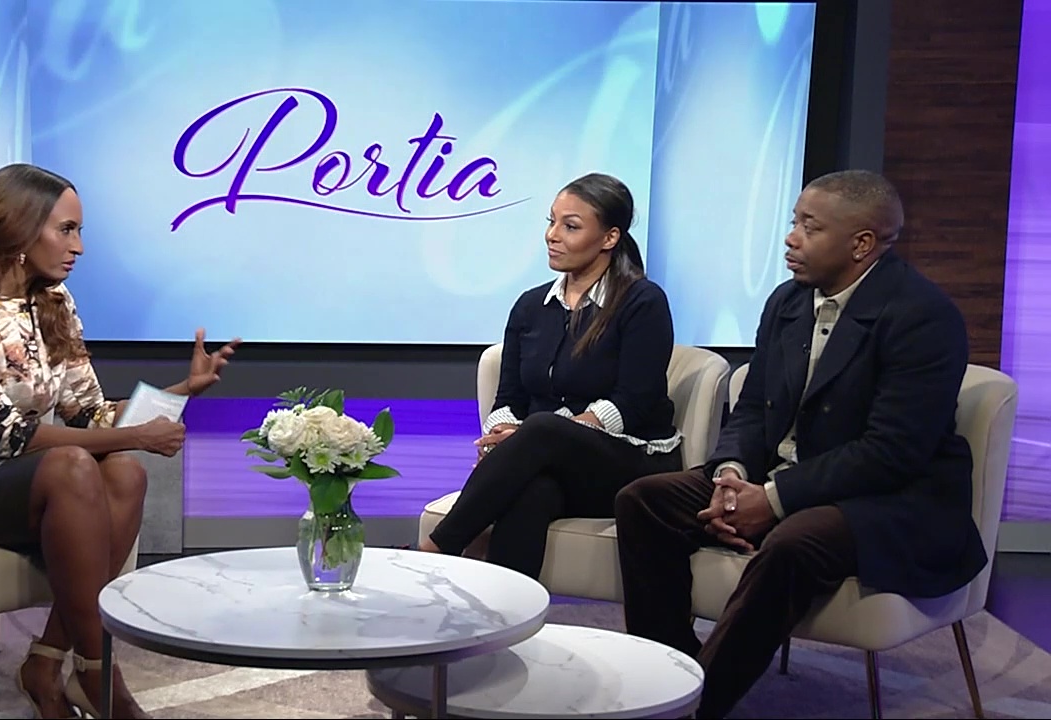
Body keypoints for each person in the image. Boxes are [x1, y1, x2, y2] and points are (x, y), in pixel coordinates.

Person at [0, 163, 241, 720]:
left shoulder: (53, 301)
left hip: (1, 475)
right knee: (73, 466)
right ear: (18, 226)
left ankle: (47, 661)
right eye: (66, 230)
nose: (79, 246)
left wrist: (182, 391)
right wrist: (138, 434)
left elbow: (88, 414)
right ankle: (98, 670)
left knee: (125, 471)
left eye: (79, 231)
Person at [613, 169, 988, 718]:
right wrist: (732, 475)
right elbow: (751, 407)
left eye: (810, 227)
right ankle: (669, 672)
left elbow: (892, 453)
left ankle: (696, 708)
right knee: (644, 500)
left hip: (890, 499)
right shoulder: (787, 302)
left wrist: (774, 500)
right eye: (795, 222)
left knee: (795, 539)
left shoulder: (921, 316)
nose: (790, 238)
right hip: (783, 476)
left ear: (861, 244)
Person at [414, 172, 685, 580]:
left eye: (570, 226)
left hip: (630, 461)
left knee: (542, 429)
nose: (552, 235)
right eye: (551, 221)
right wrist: (505, 434)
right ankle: (505, 609)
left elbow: (631, 403)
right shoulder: (530, 306)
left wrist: (531, 436)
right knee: (533, 489)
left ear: (609, 237)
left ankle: (435, 549)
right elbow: (508, 398)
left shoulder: (642, 302)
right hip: (549, 462)